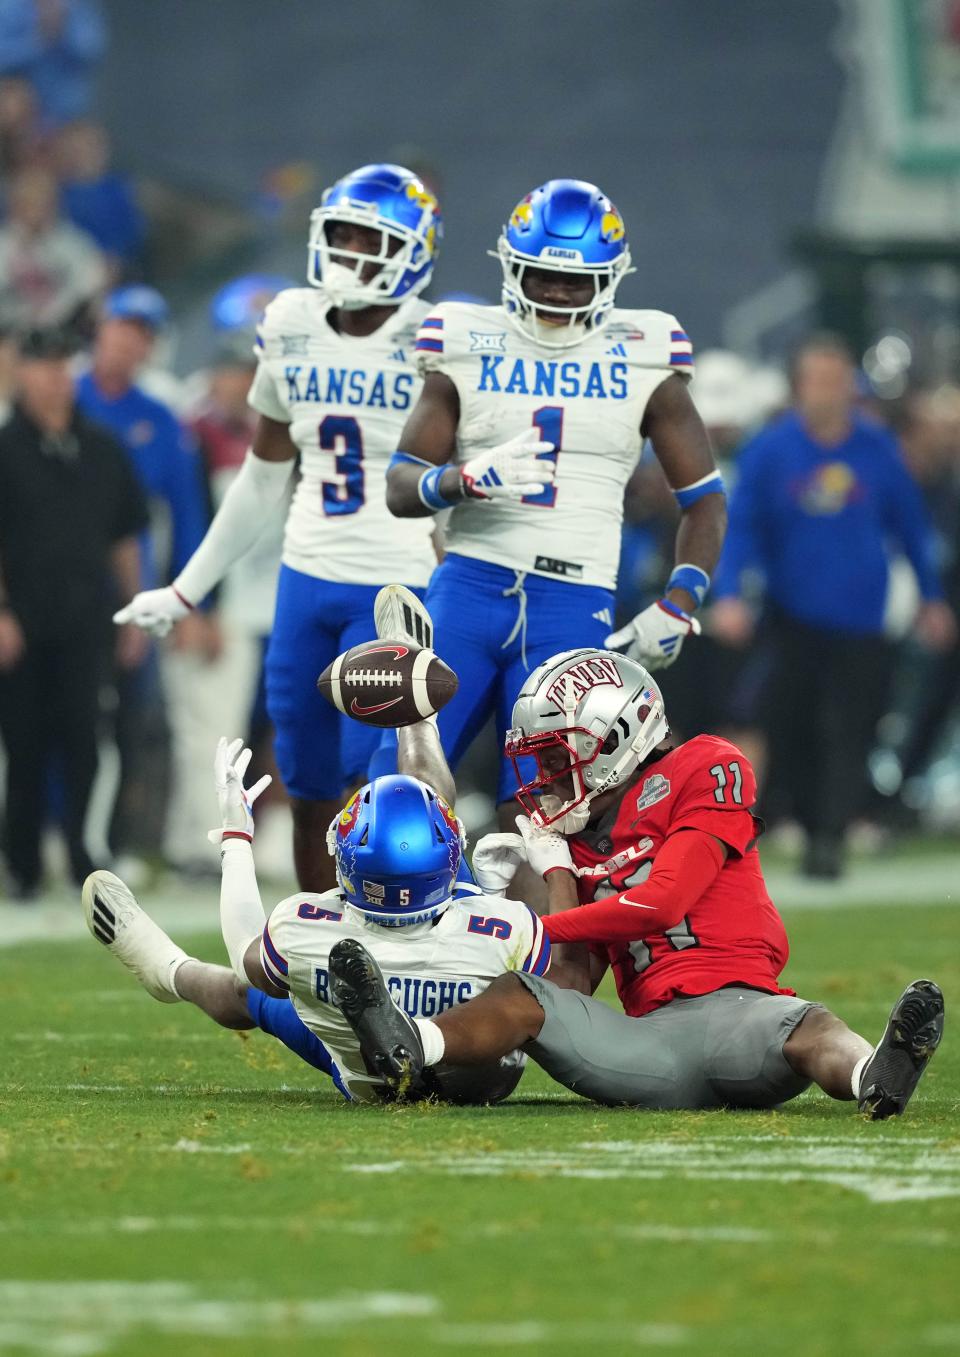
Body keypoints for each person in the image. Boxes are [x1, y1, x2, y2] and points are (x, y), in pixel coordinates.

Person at [329, 647, 945, 1122]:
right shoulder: (578, 832)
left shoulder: (707, 764)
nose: (545, 775)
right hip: (648, 1044)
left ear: (614, 739)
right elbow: (570, 980)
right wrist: (553, 871)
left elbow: (660, 902)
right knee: (524, 995)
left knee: (812, 1027)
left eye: (553, 756)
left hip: (745, 1016)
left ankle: (874, 1073)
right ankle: (411, 1045)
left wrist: (534, 923)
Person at [80, 592, 551, 1105]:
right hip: (483, 1074)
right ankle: (417, 716)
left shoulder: (308, 928)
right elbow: (566, 983)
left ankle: (166, 968)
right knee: (530, 982)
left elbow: (244, 955)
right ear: (450, 863)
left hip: (357, 1070)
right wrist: (539, 872)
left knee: (248, 991)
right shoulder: (500, 929)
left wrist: (237, 837)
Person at [114, 164, 444, 893]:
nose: (350, 253)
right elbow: (263, 475)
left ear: (412, 251)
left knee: (379, 778)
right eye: (343, 236)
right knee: (306, 776)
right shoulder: (291, 321)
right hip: (306, 576)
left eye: (371, 240)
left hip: (395, 580)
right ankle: (323, 932)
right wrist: (186, 589)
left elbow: (457, 476)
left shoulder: (436, 338)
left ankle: (391, 932)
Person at [384, 178, 726, 854]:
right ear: (512, 265)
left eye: (578, 280)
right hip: (470, 585)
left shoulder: (645, 351)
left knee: (559, 804)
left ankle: (528, 953)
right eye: (544, 274)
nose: (560, 293)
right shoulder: (466, 338)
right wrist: (461, 479)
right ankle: (397, 938)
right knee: (400, 778)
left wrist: (682, 601)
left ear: (612, 278)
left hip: (572, 598)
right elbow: (400, 485)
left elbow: (705, 499)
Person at [709, 335, 955, 877]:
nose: (829, 391)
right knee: (790, 724)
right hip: (791, 615)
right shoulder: (772, 450)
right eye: (819, 380)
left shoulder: (877, 449)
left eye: (838, 380)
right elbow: (743, 527)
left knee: (853, 728)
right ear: (800, 387)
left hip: (863, 618)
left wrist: (931, 599)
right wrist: (729, 595)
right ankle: (808, 818)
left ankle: (831, 834)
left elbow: (911, 527)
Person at [0, 326, 147, 896]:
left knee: (88, 740)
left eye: (64, 365)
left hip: (90, 620)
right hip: (24, 621)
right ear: (22, 373)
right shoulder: (5, 448)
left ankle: (90, 857)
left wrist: (135, 609)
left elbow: (126, 536)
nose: (56, 378)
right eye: (44, 366)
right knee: (24, 741)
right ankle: (24, 864)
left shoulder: (103, 447)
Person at [75, 284, 214, 868]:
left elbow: (185, 515)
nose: (131, 341)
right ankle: (56, 835)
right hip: (60, 579)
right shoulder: (64, 390)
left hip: (133, 585)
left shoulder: (159, 416)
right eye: (124, 326)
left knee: (134, 720)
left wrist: (189, 600)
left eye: (144, 332)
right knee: (61, 711)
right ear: (101, 327)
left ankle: (120, 841)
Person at [0, 165, 105, 329]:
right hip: (7, 332)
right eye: (28, 202)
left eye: (42, 202)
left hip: (63, 333)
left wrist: (53, 314)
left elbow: (90, 286)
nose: (35, 210)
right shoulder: (3, 244)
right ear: (15, 205)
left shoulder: (74, 244)